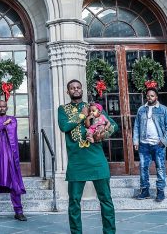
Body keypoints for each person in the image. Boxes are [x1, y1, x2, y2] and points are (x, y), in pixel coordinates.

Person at [58, 79, 117, 234]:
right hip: (77, 162)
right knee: (74, 202)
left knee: (106, 199)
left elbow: (113, 126)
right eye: (72, 88)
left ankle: (110, 232)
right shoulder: (63, 109)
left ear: (82, 90)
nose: (76, 90)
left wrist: (102, 135)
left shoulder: (93, 108)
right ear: (68, 91)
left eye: (78, 87)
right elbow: (64, 126)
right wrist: (81, 116)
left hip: (97, 159)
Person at [133, 87, 167, 202]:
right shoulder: (141, 109)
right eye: (148, 96)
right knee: (143, 168)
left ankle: (160, 191)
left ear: (156, 97)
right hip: (144, 144)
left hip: (158, 144)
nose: (149, 98)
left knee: (160, 168)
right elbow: (136, 126)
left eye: (152, 96)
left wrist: (164, 140)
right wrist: (136, 141)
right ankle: (145, 190)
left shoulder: (163, 109)